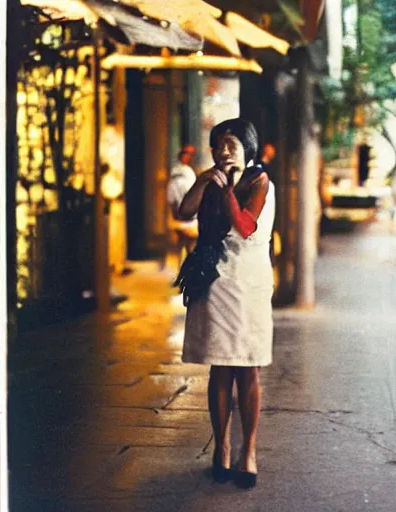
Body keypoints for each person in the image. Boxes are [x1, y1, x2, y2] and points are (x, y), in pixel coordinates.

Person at [175, 118, 275, 490]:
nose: (224, 151)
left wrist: (228, 189)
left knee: (248, 367)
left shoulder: (259, 182)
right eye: (219, 144)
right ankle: (222, 447)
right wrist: (203, 181)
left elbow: (246, 225)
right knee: (220, 365)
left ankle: (248, 451)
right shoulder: (211, 179)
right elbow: (184, 212)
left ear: (247, 148)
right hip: (215, 282)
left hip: (247, 283)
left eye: (231, 144)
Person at [166, 145, 198, 267]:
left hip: (180, 217)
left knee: (182, 246)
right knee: (190, 246)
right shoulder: (188, 175)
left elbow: (171, 198)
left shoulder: (175, 174)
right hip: (189, 218)